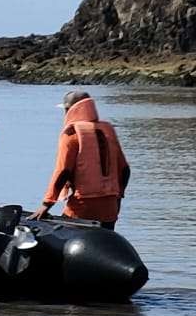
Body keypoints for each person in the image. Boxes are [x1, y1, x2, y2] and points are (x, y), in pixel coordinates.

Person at [30, 91, 130, 230]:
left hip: (82, 206)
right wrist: (118, 198)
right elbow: (125, 170)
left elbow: (63, 171)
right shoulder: (109, 130)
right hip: (110, 208)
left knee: (62, 235)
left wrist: (46, 204)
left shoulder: (71, 134)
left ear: (68, 110)